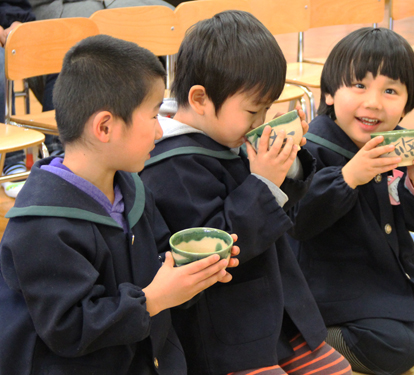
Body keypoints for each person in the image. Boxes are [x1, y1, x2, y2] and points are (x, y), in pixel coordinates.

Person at [0, 34, 240, 374]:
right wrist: (153, 300)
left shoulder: (132, 188)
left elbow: (158, 262)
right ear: (105, 126)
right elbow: (69, 329)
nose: (160, 132)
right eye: (154, 115)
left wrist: (193, 272)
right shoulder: (40, 225)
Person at [140, 10, 352, 375]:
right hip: (223, 332)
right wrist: (264, 182)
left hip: (277, 313)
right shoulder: (168, 163)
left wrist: (288, 162)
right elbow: (216, 248)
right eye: (254, 110)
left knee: (337, 370)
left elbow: (287, 213)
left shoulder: (225, 133)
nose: (260, 122)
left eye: (266, 110)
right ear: (200, 98)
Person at [287, 27, 414, 375]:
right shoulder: (310, 149)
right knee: (396, 352)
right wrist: (349, 176)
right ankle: (306, 338)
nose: (373, 102)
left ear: (407, 102)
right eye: (359, 86)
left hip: (397, 278)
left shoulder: (400, 143)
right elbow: (299, 220)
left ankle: (399, 326)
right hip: (333, 290)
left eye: (390, 90)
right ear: (328, 93)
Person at [0, 0, 36, 198]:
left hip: (10, 29)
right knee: (1, 66)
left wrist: (17, 23)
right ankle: (12, 161)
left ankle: (58, 148)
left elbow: (15, 4)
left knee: (61, 57)